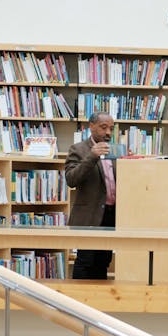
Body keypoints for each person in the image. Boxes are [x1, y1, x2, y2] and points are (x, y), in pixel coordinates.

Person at [65, 111, 117, 279]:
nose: (108, 133)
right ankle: (77, 301)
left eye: (111, 128)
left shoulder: (116, 150)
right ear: (91, 126)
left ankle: (96, 301)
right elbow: (71, 179)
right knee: (85, 260)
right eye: (103, 127)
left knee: (103, 261)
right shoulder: (78, 149)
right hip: (90, 215)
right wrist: (92, 156)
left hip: (111, 214)